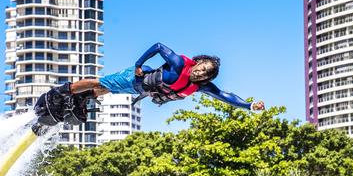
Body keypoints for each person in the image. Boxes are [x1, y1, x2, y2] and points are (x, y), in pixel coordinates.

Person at [32, 42, 265, 131]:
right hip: (136, 79)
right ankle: (63, 91)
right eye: (200, 66)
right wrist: (138, 64)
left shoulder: (200, 87)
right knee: (101, 82)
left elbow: (225, 96)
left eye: (204, 72)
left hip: (140, 90)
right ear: (197, 62)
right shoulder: (179, 64)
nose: (199, 71)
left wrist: (249, 105)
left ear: (206, 77)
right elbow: (158, 46)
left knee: (107, 90)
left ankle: (80, 98)